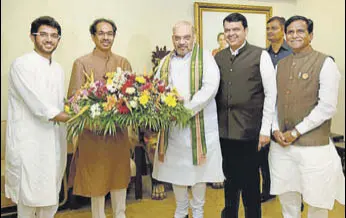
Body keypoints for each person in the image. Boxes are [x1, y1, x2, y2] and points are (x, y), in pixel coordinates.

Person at [270, 15, 345, 218]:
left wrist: (296, 132)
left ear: (311, 35)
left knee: (317, 201)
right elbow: (273, 102)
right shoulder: (280, 65)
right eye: (290, 32)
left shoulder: (325, 63)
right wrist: (275, 128)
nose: (294, 35)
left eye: (300, 31)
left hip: (314, 148)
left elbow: (327, 107)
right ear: (285, 36)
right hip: (283, 147)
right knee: (287, 199)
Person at [152, 20, 224, 218]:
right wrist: (163, 105)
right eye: (177, 38)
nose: (182, 42)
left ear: (194, 37)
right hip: (174, 129)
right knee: (178, 171)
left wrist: (185, 109)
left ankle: (198, 211)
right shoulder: (165, 62)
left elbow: (210, 88)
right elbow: (156, 87)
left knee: (199, 172)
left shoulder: (207, 58)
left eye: (186, 37)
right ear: (172, 39)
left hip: (199, 125)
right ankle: (181, 209)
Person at [67, 18, 132, 218]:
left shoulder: (122, 62)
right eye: (101, 33)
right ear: (93, 36)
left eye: (110, 33)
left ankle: (120, 214)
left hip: (118, 135)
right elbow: (74, 101)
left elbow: (132, 96)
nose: (106, 37)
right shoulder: (81, 63)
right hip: (93, 135)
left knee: (119, 179)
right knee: (97, 182)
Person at [5, 16, 70, 217]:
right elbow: (38, 105)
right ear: (32, 37)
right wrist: (74, 117)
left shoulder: (58, 69)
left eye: (54, 36)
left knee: (51, 199)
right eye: (43, 35)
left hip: (54, 141)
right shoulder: (21, 65)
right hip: (30, 142)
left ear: (58, 39)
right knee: (29, 200)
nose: (49, 40)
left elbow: (60, 103)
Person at [214, 13, 277, 218]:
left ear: (245, 31)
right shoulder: (219, 57)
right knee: (229, 183)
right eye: (228, 30)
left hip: (250, 133)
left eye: (236, 30)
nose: (231, 34)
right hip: (224, 133)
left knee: (250, 186)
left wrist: (265, 130)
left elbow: (271, 94)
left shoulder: (260, 55)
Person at [259, 16, 292, 204]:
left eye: (274, 28)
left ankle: (294, 192)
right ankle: (269, 189)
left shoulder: (292, 53)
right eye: (268, 28)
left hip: (287, 107)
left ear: (283, 30)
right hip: (267, 108)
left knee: (288, 152)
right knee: (265, 153)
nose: (270, 31)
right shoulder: (263, 55)